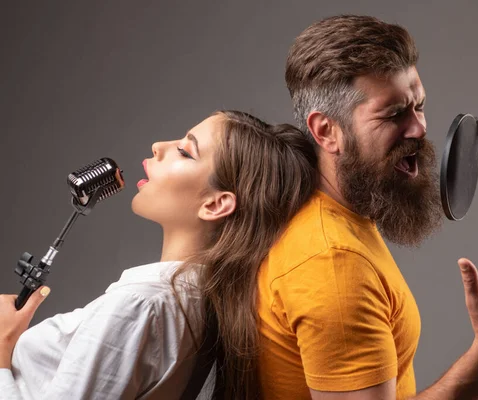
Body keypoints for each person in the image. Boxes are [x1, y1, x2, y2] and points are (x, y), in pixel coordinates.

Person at [256, 15, 478, 399]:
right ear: (326, 131)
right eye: (394, 114)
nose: (418, 128)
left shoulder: (340, 220)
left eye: (419, 106)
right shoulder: (332, 265)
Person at [0, 110, 318, 399]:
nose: (157, 145)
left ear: (215, 204)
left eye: (184, 151)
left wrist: (2, 350)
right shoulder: (204, 306)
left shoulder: (141, 306)